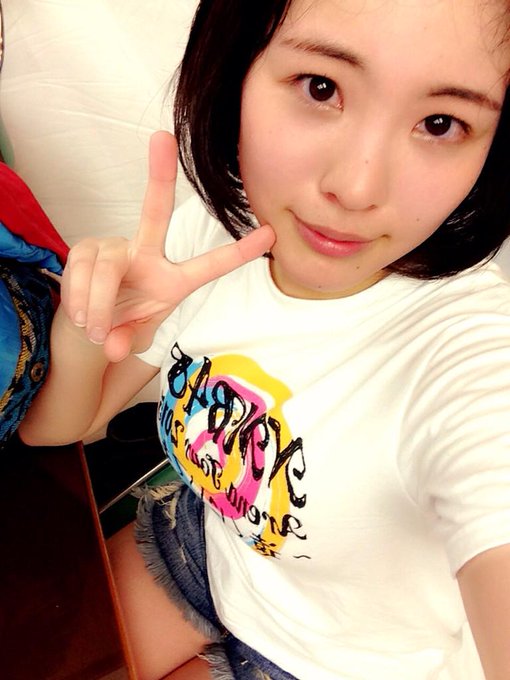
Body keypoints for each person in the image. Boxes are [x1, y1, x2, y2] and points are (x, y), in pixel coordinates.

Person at [19, 0, 510, 678]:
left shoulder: (470, 357)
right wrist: (85, 333)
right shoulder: (223, 235)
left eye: (440, 123)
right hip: (203, 548)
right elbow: (55, 431)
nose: (355, 187)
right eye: (321, 87)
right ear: (237, 70)